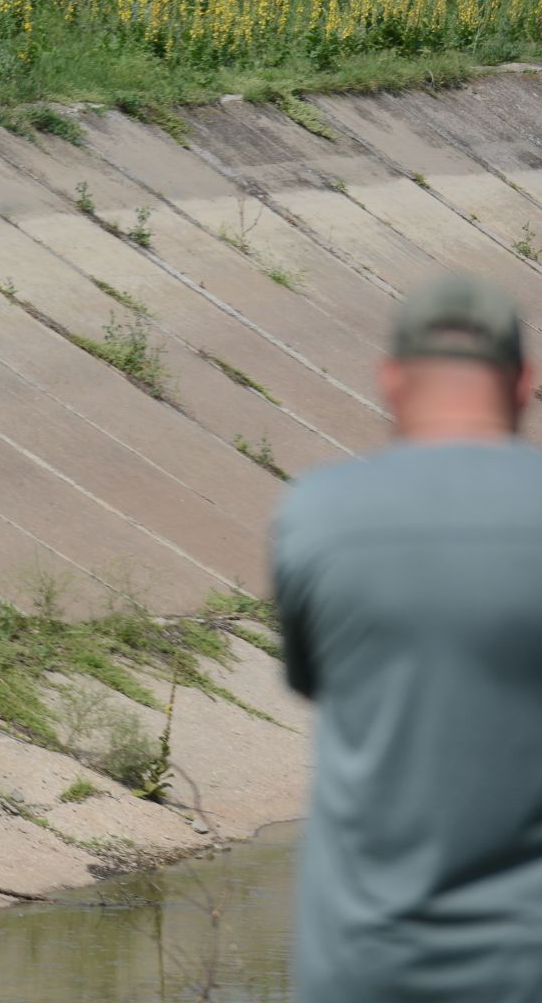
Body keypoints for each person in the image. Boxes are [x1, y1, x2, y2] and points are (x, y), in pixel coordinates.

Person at [274, 273, 542, 1002]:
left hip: (362, 966)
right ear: (522, 383)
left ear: (389, 380)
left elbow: (313, 680)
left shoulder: (314, 516)